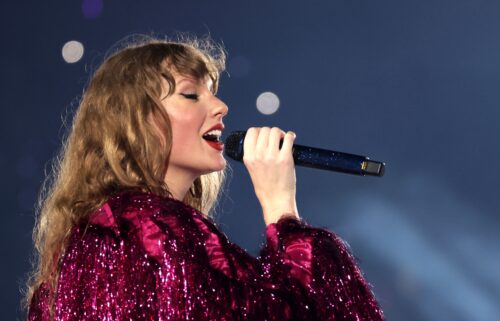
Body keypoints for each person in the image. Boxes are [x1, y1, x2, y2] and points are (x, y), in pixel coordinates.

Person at [25, 36, 385, 321]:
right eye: (191, 94)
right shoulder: (152, 230)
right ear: (136, 120)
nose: (220, 107)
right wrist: (281, 210)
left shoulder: (86, 245)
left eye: (212, 92)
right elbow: (282, 312)